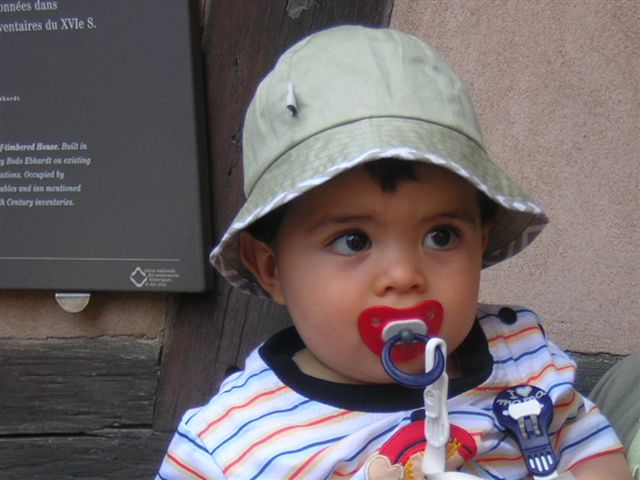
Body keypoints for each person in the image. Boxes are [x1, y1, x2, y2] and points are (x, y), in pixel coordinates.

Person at [156, 26, 631, 479]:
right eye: (353, 240)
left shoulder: (523, 360)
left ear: (481, 242)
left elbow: (594, 454)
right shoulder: (232, 445)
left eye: (441, 236)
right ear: (271, 268)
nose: (404, 275)